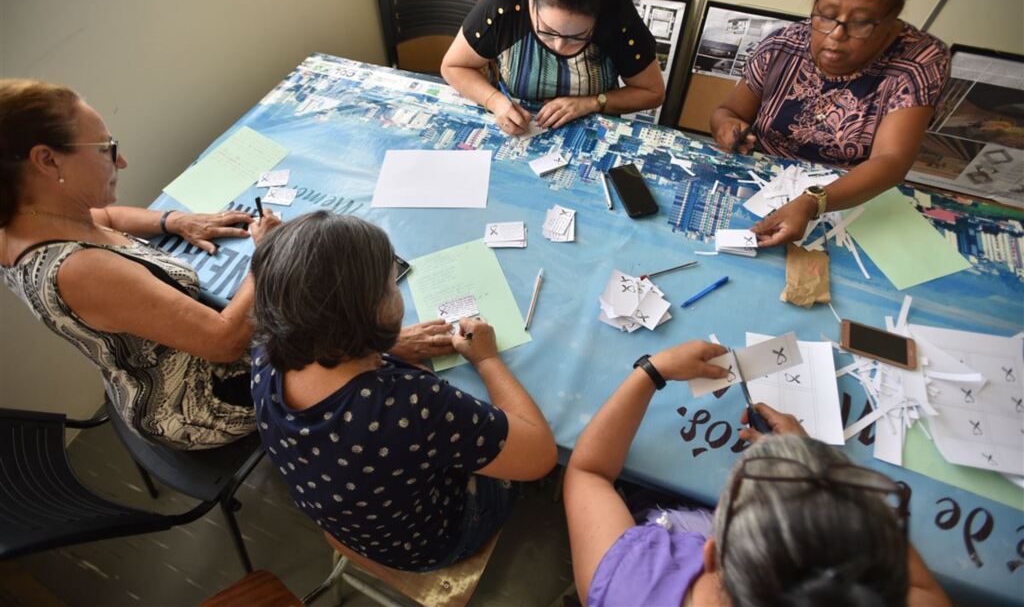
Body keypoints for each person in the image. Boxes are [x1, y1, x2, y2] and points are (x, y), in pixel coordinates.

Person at [249, 212, 557, 571]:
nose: (397, 290)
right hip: (430, 544)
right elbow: (540, 456)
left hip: (356, 526)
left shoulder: (266, 350)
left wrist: (385, 345)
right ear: (375, 312)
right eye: (391, 285)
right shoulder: (409, 404)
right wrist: (487, 359)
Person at [0, 78, 284, 449]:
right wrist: (267, 253)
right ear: (47, 160)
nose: (121, 161)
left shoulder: (25, 219)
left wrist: (173, 220)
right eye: (105, 148)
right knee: (334, 327)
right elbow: (225, 341)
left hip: (143, 376)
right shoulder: (82, 271)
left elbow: (107, 218)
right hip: (198, 403)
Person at [564, 339, 952, 606]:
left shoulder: (629, 585)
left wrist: (651, 371)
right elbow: (929, 594)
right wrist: (818, 467)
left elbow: (588, 472)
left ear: (712, 552)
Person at [709, 0, 950, 247]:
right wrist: (726, 127)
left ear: (892, 19)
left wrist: (813, 202)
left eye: (860, 23)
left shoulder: (919, 61)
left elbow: (891, 161)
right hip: (760, 189)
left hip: (847, 202)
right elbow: (727, 111)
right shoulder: (784, 44)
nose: (836, 35)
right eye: (826, 15)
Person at [441, 0, 664, 135]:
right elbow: (453, 66)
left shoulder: (617, 17)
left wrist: (593, 102)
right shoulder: (507, 4)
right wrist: (495, 101)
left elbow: (652, 92)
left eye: (577, 37)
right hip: (520, 130)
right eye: (547, 30)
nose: (559, 45)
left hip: (591, 134)